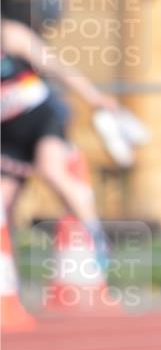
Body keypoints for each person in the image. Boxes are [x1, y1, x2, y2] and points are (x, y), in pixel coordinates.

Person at [1, 15, 118, 264]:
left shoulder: (11, 35)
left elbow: (58, 68)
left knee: (50, 170)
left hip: (41, 117)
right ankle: (8, 280)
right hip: (8, 136)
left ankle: (96, 236)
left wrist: (93, 97)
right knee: (3, 204)